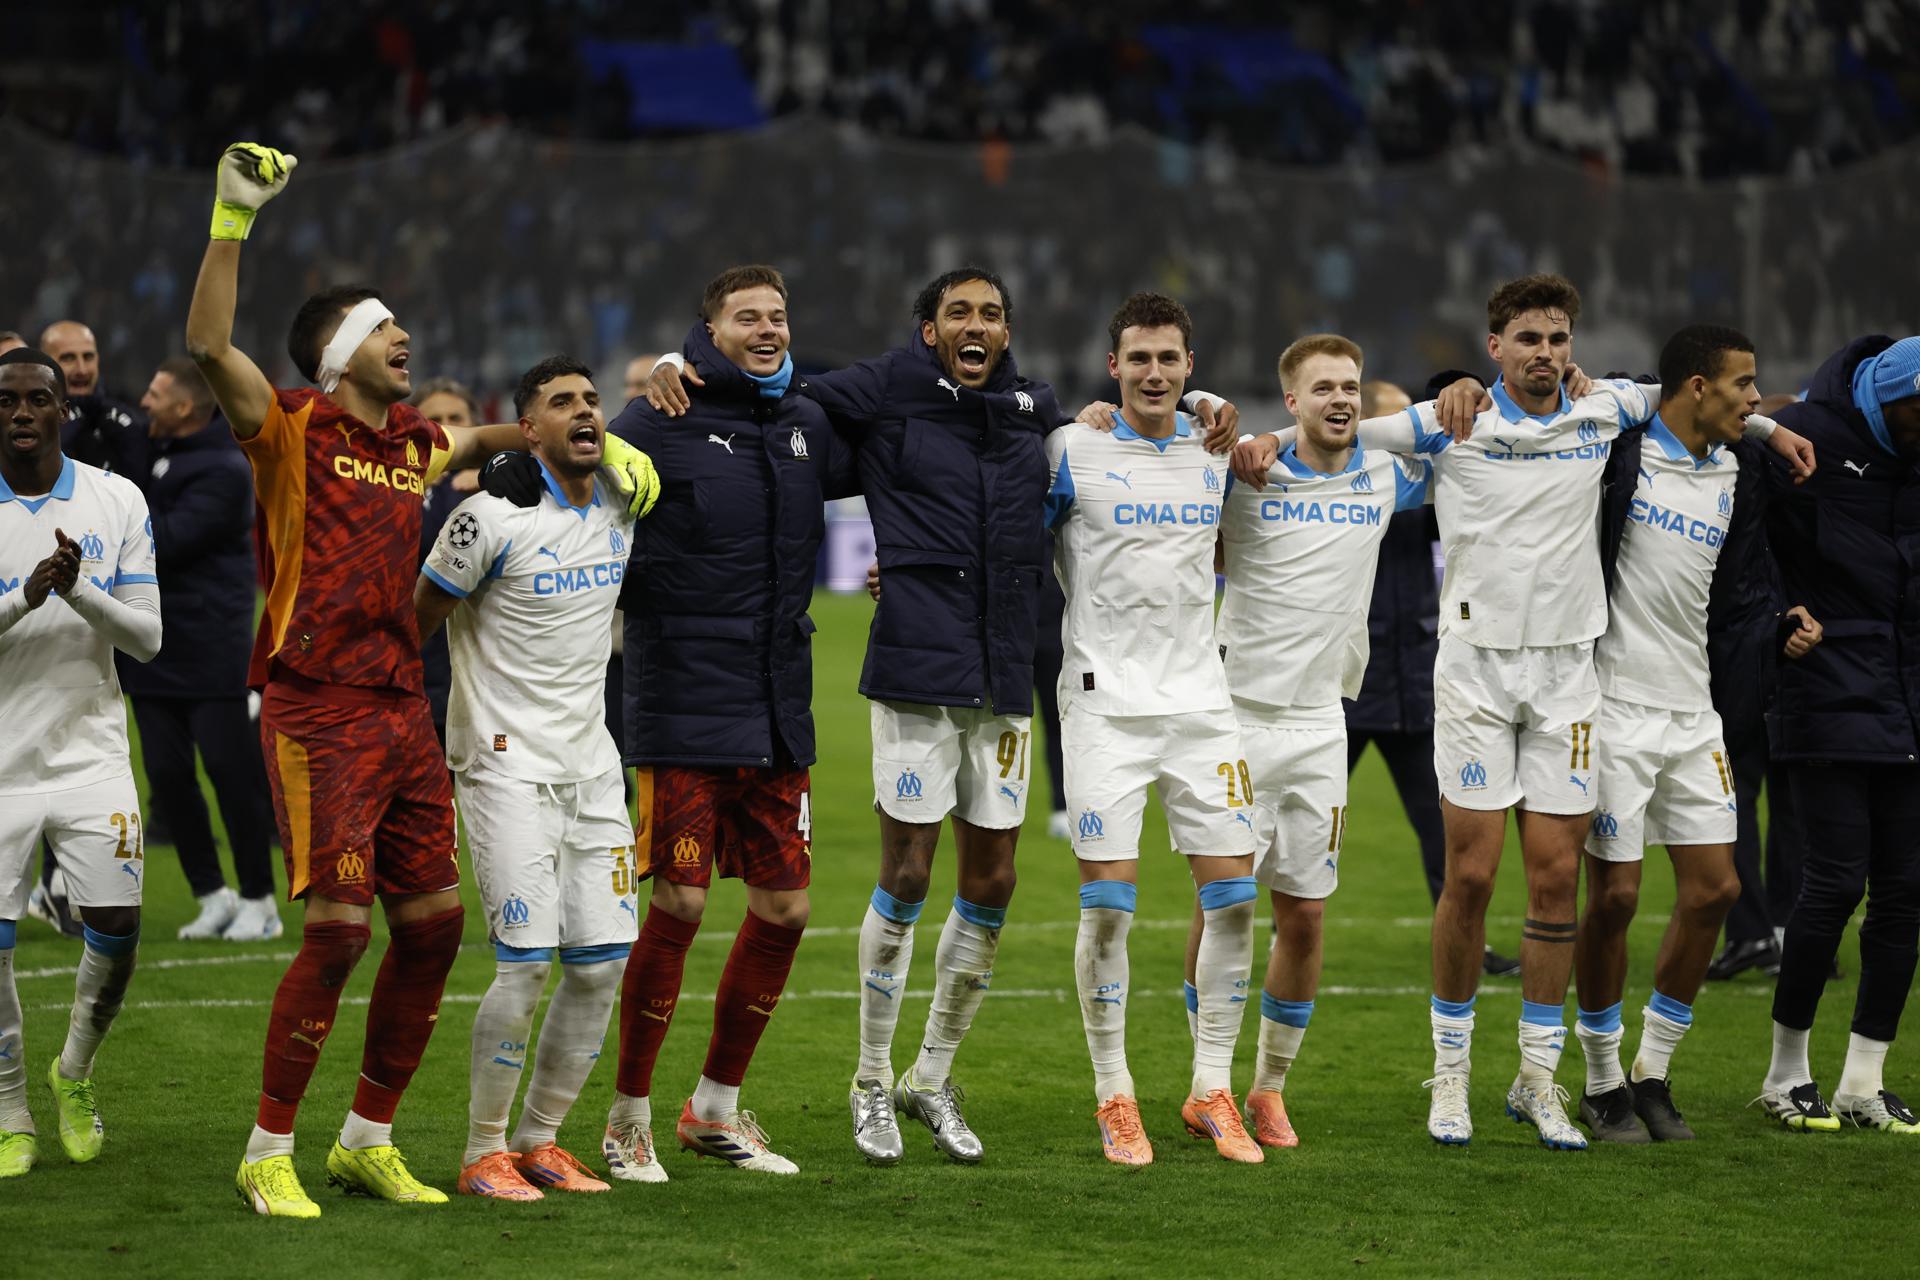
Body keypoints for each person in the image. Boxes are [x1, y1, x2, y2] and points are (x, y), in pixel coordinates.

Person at [1231, 273, 1810, 1149]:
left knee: (1552, 880)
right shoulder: (1453, 419)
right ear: (1494, 347)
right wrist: (1262, 440)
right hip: (1473, 675)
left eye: (1559, 338)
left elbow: (1695, 394)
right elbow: (1338, 426)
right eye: (1529, 339)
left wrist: (1767, 424)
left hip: (1569, 678)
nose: (1547, 354)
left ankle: (1536, 1080)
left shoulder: (1603, 408)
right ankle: (1451, 1075)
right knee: (1469, 876)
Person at [185, 142, 655, 1218]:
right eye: (389, 332)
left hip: (406, 706)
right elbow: (210, 342)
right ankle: (268, 1148)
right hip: (317, 709)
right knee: (341, 931)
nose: (408, 343)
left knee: (435, 927)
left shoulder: (409, 443)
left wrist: (595, 448)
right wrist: (231, 216)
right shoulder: (290, 430)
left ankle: (367, 1138)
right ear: (344, 349)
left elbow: (488, 432)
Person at [644, 265, 1065, 1166]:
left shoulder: (1035, 407)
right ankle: (870, 1081)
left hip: (1003, 676)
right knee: (908, 876)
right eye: (959, 311)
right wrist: (673, 366)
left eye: (992, 312)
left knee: (993, 883)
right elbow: (766, 398)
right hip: (917, 667)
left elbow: (1095, 450)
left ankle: (931, 1076)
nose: (977, 323)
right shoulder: (884, 386)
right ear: (929, 329)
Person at [592, 266, 857, 1178]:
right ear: (709, 328)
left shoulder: (805, 422)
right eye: (747, 317)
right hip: (679, 708)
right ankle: (626, 1116)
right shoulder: (653, 418)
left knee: (785, 909)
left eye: (779, 315)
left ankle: (714, 1109)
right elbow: (582, 493)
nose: (768, 328)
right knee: (680, 902)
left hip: (779, 708)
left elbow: (913, 439)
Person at [1573, 326, 1819, 1143]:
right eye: (1744, 384)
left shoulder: (1738, 472)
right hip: (1611, 705)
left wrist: (1780, 622)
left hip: (1693, 709)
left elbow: (1744, 587)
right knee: (1614, 897)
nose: (1755, 398)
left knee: (1713, 890)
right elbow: (1623, 384)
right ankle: (1601, 1079)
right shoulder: (1625, 453)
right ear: (1694, 387)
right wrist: (1769, 424)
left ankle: (1652, 1072)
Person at [1194, 336, 1431, 1152]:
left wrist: (1463, 388)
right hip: (1237, 718)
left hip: (1322, 723)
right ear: (1289, 400)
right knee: (1225, 904)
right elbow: (1172, 430)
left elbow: (1456, 440)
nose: (1341, 399)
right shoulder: (1248, 473)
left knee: (1304, 916)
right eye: (1323, 387)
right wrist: (1234, 431)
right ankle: (1208, 1084)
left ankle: (1267, 1089)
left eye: (1352, 387)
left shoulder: (1384, 476)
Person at [415, 357, 644, 1201]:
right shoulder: (486, 518)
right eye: (562, 404)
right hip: (504, 766)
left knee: (601, 965)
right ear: (529, 428)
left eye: (591, 401)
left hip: (594, 768)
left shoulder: (625, 499)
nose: (584, 412)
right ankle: (483, 1153)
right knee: (527, 964)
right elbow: (418, 620)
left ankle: (541, 1141)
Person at [1047, 293, 1258, 1166]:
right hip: (1103, 708)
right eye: (1139, 359)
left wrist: (1238, 424)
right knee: (1108, 913)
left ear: (1190, 367)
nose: (1155, 374)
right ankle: (1115, 1096)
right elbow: (993, 524)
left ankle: (1212, 1089)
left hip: (1202, 704)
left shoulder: (1218, 451)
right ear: (1113, 366)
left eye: (1170, 359)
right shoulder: (1071, 447)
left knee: (1237, 903)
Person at [0, 347, 162, 1178]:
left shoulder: (115, 497)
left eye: (37, 399)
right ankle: (9, 1111)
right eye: (6, 401)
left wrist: (75, 590)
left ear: (64, 409)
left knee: (119, 930)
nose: (21, 413)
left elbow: (147, 635)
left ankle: (73, 1076)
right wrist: (25, 595)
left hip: (90, 754)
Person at [1756, 334, 1920, 1134]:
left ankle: (1863, 1082)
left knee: (1905, 895)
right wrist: (1780, 621)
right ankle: (1786, 1075)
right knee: (1833, 884)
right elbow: (1750, 547)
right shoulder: (1805, 442)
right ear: (1887, 399)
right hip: (1824, 690)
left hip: (1909, 701)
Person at [1342, 379, 1523, 976]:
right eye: (1395, 426)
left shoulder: (1431, 488)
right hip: (1344, 685)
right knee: (1302, 824)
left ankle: (1469, 942)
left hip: (1416, 686)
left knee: (1443, 830)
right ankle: (1278, 932)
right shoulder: (1341, 488)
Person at [126, 357, 279, 941]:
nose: (144, 401)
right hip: (152, 648)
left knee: (229, 775)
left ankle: (260, 900)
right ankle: (213, 894)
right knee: (166, 775)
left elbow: (159, 542)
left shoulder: (222, 468)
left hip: (213, 649)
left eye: (156, 393)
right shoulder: (157, 452)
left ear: (185, 407)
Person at [410, 377, 481, 743]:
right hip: (418, 673)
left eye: (457, 415)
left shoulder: (502, 484)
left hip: (482, 678)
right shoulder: (397, 486)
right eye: (435, 417)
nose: (448, 425)